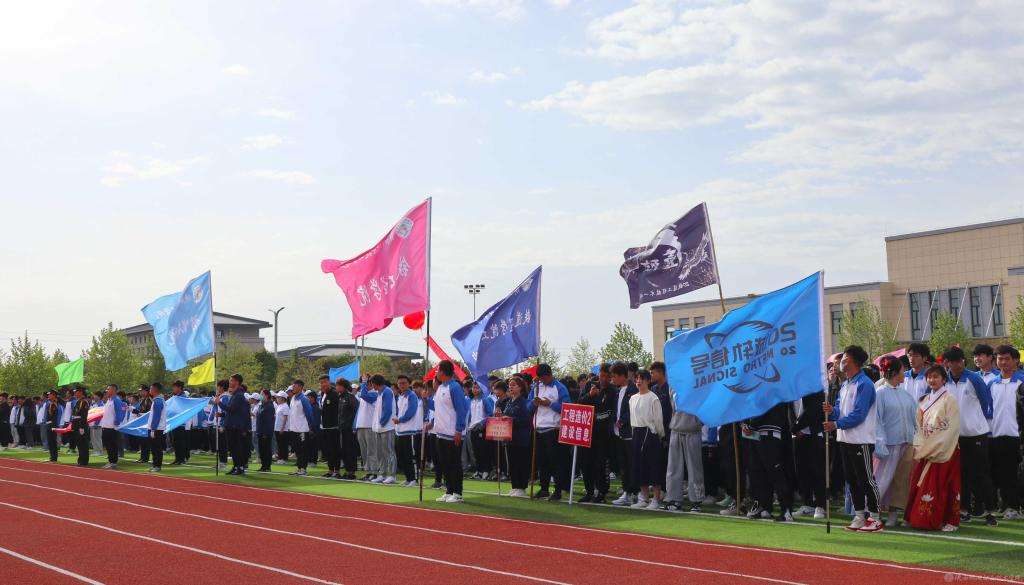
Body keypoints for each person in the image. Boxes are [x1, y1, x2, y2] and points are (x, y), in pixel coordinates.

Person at [824, 345, 882, 532]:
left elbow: (859, 414)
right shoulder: (845, 384)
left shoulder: (865, 384)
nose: (841, 362)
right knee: (852, 480)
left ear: (854, 361)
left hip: (861, 440)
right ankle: (859, 515)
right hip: (845, 439)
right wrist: (832, 411)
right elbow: (841, 410)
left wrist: (836, 424)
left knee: (866, 480)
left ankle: (875, 517)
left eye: (845, 359)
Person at [941, 346, 998, 525]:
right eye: (952, 362)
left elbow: (986, 402)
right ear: (947, 363)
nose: (957, 365)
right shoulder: (944, 381)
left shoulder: (974, 378)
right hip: (954, 436)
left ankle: (990, 511)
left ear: (962, 361)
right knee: (960, 474)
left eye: (959, 361)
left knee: (981, 473)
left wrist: (975, 421)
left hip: (976, 434)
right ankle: (964, 510)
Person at [906, 365, 962, 531]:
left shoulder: (949, 400)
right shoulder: (924, 400)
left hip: (945, 448)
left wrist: (934, 445)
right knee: (924, 483)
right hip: (927, 448)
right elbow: (919, 425)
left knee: (946, 484)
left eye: (936, 377)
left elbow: (952, 426)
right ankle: (920, 518)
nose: (932, 380)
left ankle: (950, 521)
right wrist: (921, 444)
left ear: (944, 379)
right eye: (929, 377)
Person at [872, 355, 917, 527]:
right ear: (895, 372)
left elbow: (915, 418)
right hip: (889, 444)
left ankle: (894, 513)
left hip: (906, 443)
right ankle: (872, 511)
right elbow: (876, 420)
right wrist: (880, 442)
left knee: (901, 480)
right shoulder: (880, 394)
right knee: (883, 479)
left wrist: (917, 437)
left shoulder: (905, 394)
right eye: (902, 371)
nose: (904, 373)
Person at [660, 361, 704, 512]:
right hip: (676, 429)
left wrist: (698, 422)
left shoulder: (698, 385)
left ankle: (696, 501)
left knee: (694, 468)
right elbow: (673, 409)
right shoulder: (673, 386)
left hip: (692, 430)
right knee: (673, 468)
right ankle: (674, 499)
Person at [988, 345, 1022, 520]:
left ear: (1016, 360)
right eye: (1000, 359)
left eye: (1007, 358)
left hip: (1019, 435)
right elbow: (989, 409)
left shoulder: (1022, 381)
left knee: (1020, 473)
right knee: (1005, 473)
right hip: (999, 434)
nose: (1003, 362)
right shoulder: (992, 383)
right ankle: (1011, 506)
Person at [527, 364, 571, 501]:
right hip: (538, 429)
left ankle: (558, 490)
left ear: (549, 375)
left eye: (544, 378)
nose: (542, 381)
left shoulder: (560, 387)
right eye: (540, 378)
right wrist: (534, 403)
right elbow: (528, 407)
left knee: (556, 462)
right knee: (541, 462)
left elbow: (567, 408)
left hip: (553, 429)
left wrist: (550, 404)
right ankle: (544, 488)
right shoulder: (536, 387)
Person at [427, 360, 468, 503]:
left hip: (452, 433)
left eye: (438, 370)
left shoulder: (455, 387)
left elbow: (461, 409)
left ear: (443, 372)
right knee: (445, 463)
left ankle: (457, 492)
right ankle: (449, 490)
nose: (436, 372)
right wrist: (426, 399)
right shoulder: (440, 388)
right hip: (440, 432)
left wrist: (458, 430)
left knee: (454, 463)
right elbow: (437, 408)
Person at [628, 369, 665, 510]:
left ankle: (655, 499)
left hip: (650, 433)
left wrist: (660, 435)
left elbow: (658, 419)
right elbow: (632, 419)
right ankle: (644, 498)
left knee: (653, 466)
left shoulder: (653, 397)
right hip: (637, 432)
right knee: (639, 466)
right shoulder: (633, 398)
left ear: (648, 381)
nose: (638, 381)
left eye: (641, 379)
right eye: (637, 379)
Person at [578, 365, 615, 504]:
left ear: (611, 377)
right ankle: (589, 491)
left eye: (607, 376)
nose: (604, 379)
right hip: (587, 432)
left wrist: (595, 416)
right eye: (602, 376)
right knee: (585, 462)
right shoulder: (591, 385)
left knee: (600, 464)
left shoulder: (612, 391)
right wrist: (590, 395)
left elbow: (609, 412)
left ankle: (601, 492)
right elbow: (580, 403)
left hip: (603, 434)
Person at [610, 362, 639, 506]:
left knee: (632, 465)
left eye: (614, 376)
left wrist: (623, 420)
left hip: (630, 433)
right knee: (623, 466)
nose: (613, 379)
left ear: (622, 376)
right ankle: (627, 492)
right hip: (618, 434)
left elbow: (633, 409)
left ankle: (635, 493)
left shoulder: (633, 389)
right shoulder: (617, 391)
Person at [360, 374, 397, 484]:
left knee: (389, 452)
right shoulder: (379, 393)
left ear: (375, 383)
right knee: (380, 453)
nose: (372, 386)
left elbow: (388, 410)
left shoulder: (387, 392)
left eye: (372, 384)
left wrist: (381, 423)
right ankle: (382, 474)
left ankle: (391, 475)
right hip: (378, 428)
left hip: (387, 427)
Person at [393, 375, 422, 486]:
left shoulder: (412, 396)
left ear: (408, 383)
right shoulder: (400, 396)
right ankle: (408, 478)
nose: (402, 385)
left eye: (404, 383)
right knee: (402, 456)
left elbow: (411, 412)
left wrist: (399, 420)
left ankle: (414, 479)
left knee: (410, 456)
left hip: (409, 431)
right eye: (400, 383)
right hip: (400, 431)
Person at [315, 375, 342, 478]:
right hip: (324, 427)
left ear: (329, 382)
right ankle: (330, 470)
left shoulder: (334, 394)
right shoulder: (323, 394)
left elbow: (338, 411)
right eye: (321, 382)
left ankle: (337, 470)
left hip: (333, 427)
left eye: (325, 382)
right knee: (327, 451)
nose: (323, 384)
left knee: (335, 450)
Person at [467, 380, 494, 480]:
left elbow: (490, 414)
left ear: (482, 389)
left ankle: (486, 471)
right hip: (472, 428)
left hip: (481, 428)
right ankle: (479, 471)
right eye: (474, 388)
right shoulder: (471, 401)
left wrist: (482, 424)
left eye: (477, 388)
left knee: (483, 450)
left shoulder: (485, 400)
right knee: (476, 451)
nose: (475, 390)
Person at [354, 375, 378, 481]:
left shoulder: (374, 394)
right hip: (361, 426)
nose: (363, 385)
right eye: (362, 383)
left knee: (371, 451)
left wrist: (364, 381)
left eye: (365, 383)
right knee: (364, 452)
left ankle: (375, 472)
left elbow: (364, 395)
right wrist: (355, 425)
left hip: (369, 426)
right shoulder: (363, 397)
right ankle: (368, 472)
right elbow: (359, 412)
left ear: (370, 383)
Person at [287, 381, 314, 476]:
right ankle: (299, 467)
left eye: (294, 386)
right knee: (297, 449)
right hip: (293, 429)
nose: (293, 388)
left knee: (303, 449)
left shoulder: (304, 399)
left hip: (302, 429)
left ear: (300, 387)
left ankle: (303, 468)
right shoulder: (293, 398)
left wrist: (310, 427)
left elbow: (309, 414)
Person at [98, 384, 126, 469]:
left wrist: (117, 422)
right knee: (108, 445)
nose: (107, 391)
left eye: (108, 389)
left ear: (114, 390)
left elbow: (120, 412)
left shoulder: (116, 400)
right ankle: (111, 461)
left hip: (112, 427)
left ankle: (113, 462)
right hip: (106, 426)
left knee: (112, 445)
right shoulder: (109, 400)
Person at [337, 379, 359, 479]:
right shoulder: (340, 397)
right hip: (342, 428)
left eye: (338, 385)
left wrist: (353, 425)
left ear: (343, 386)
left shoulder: (351, 397)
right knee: (344, 450)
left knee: (350, 450)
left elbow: (357, 411)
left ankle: (351, 472)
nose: (337, 387)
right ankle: (347, 470)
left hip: (350, 429)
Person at [146, 382, 167, 472]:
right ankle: (155, 465)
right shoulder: (157, 400)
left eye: (151, 388)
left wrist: (153, 429)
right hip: (156, 428)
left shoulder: (158, 401)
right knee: (154, 448)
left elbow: (156, 416)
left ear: (155, 389)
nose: (150, 390)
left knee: (157, 448)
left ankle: (157, 466)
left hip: (157, 428)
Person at [169, 381, 191, 465]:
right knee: (175, 441)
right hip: (174, 421)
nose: (173, 388)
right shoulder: (175, 396)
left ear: (179, 388)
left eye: (174, 387)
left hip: (181, 422)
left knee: (180, 441)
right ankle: (177, 458)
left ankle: (182, 459)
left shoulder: (184, 397)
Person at [254, 389, 275, 473]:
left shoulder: (269, 406)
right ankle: (263, 465)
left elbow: (269, 421)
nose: (260, 395)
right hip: (260, 431)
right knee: (262, 450)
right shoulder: (261, 406)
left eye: (262, 394)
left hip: (266, 432)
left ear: (266, 396)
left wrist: (266, 433)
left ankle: (267, 466)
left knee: (266, 449)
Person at [70, 387, 91, 466]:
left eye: (76, 392)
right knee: (79, 443)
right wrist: (73, 425)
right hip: (76, 424)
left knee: (83, 443)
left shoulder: (84, 402)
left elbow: (84, 416)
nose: (75, 393)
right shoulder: (78, 401)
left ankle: (84, 461)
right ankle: (80, 460)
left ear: (81, 392)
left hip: (80, 424)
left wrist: (82, 427)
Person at [42, 390, 63, 462]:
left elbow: (54, 416)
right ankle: (52, 457)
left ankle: (54, 457)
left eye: (50, 394)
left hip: (52, 424)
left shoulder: (54, 404)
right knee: (50, 441)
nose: (48, 395)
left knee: (52, 441)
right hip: (50, 424)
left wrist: (53, 426)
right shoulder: (51, 403)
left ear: (54, 395)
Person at [273, 391, 290, 463]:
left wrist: (282, 428)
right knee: (279, 444)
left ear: (283, 398)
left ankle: (284, 458)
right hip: (277, 428)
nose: (277, 399)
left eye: (278, 397)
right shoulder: (279, 406)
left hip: (283, 429)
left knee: (283, 444)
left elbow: (286, 418)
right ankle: (280, 457)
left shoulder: (285, 406)